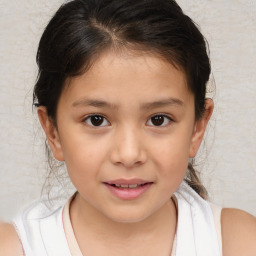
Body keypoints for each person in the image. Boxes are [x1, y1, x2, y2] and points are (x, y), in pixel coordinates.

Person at [0, 0, 256, 255]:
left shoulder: (239, 243)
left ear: (197, 127)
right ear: (53, 131)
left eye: (158, 119)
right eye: (96, 120)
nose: (129, 154)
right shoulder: (14, 247)